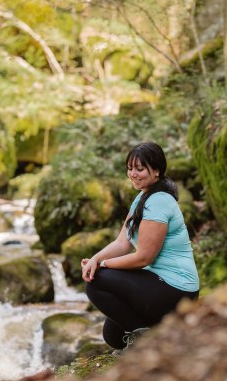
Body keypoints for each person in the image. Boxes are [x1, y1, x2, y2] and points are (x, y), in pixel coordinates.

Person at [82, 142, 200, 350]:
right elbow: (122, 243)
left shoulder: (159, 202)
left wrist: (104, 266)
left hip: (177, 289)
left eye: (139, 169)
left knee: (97, 281)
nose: (133, 174)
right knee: (113, 335)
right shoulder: (143, 197)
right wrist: (95, 259)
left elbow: (144, 258)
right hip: (159, 282)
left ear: (156, 171)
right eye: (130, 168)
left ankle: (148, 343)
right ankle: (155, 332)